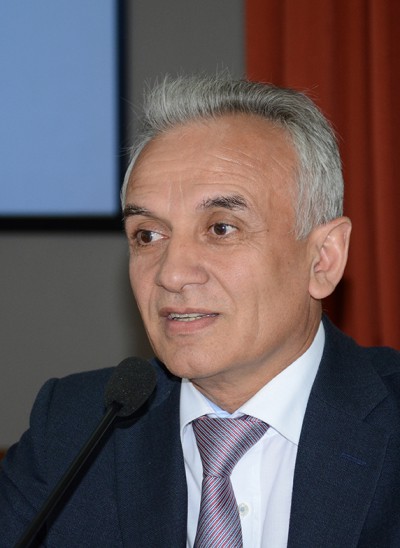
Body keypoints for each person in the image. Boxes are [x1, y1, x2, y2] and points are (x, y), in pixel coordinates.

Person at [1, 75, 400, 547]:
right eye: (148, 235)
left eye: (221, 228)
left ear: (323, 259)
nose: (171, 274)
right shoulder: (72, 429)